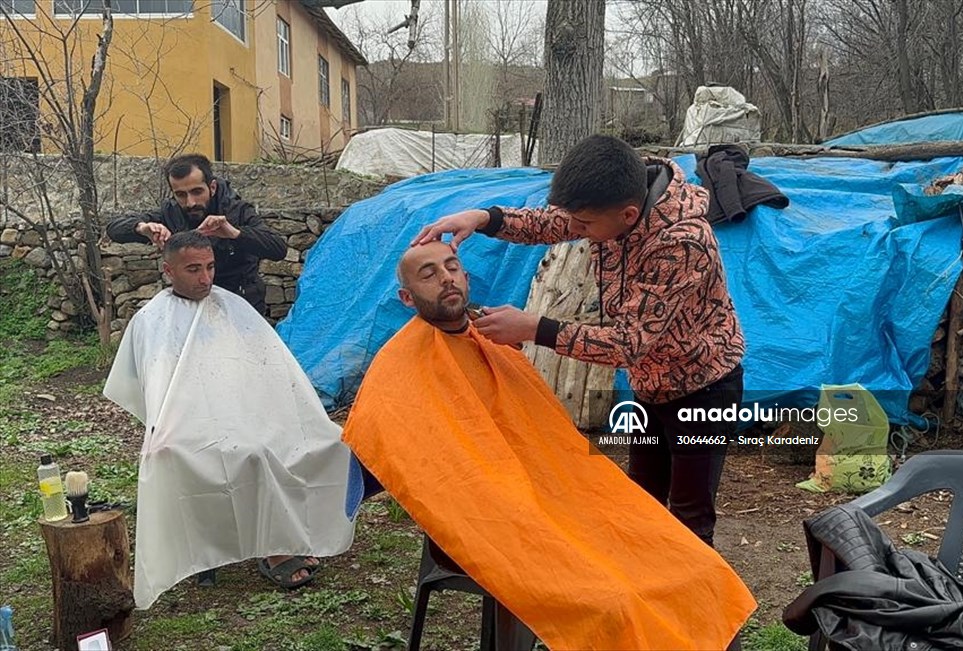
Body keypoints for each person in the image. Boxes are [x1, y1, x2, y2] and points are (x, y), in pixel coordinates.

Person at [342, 240, 754, 650]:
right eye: (428, 274)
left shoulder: (493, 341)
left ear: (466, 277)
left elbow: (545, 435)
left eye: (452, 266)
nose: (446, 278)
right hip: (495, 519)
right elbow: (407, 458)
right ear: (407, 298)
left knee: (695, 564)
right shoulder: (399, 367)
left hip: (566, 496)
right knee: (613, 601)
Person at [411, 134, 745, 549]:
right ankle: (648, 595)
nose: (575, 232)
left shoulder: (681, 243)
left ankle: (701, 608)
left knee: (690, 516)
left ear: (627, 215)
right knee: (643, 502)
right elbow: (553, 222)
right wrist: (484, 218)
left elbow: (628, 344)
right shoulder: (611, 195)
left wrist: (535, 328)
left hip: (703, 386)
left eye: (584, 227)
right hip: (652, 384)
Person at [103, 231, 359, 608]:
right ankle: (273, 548)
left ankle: (287, 534)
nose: (205, 278)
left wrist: (265, 412)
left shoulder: (231, 306)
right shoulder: (152, 320)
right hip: (189, 425)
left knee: (325, 442)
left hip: (246, 412)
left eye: (210, 267)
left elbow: (269, 369)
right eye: (193, 269)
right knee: (251, 453)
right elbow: (159, 388)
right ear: (168, 270)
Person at [106, 153, 287, 314]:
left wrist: (235, 233)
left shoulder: (238, 211)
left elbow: (278, 248)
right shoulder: (170, 212)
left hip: (241, 304)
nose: (190, 202)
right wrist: (142, 228)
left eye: (197, 191)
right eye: (181, 195)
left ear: (212, 187)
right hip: (189, 308)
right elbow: (114, 229)